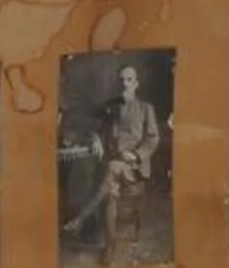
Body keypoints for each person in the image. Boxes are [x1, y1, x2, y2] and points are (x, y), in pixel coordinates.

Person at [63, 63, 162, 255]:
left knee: (111, 172)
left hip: (135, 166)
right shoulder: (112, 107)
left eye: (129, 80)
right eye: (121, 80)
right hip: (113, 165)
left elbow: (153, 138)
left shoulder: (145, 108)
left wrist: (136, 155)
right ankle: (109, 246)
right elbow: (91, 122)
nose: (124, 84)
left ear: (136, 84)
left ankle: (81, 219)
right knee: (110, 191)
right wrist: (95, 137)